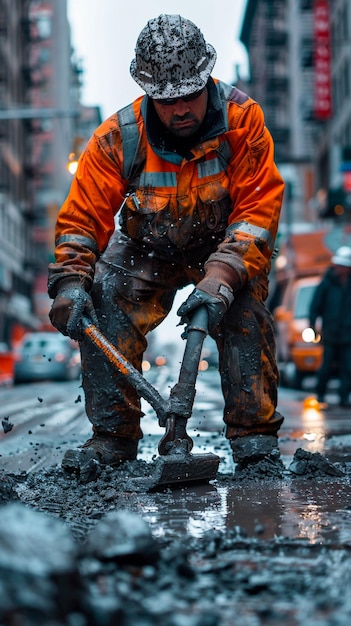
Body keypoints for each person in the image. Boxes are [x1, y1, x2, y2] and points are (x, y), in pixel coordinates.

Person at [48, 14, 285, 472]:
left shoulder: (243, 122)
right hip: (147, 250)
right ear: (148, 93)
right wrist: (70, 282)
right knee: (103, 296)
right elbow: (82, 218)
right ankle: (113, 441)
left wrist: (221, 277)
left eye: (190, 96)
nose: (180, 110)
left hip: (222, 249)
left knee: (244, 310)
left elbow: (257, 212)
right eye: (166, 100)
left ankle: (255, 442)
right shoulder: (118, 138)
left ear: (207, 78)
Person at [309, 246, 351, 407]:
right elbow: (315, 306)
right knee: (326, 366)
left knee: (348, 367)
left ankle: (344, 397)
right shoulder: (326, 284)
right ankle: (320, 395)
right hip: (331, 333)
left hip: (348, 334)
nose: (338, 268)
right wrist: (312, 325)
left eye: (341, 266)